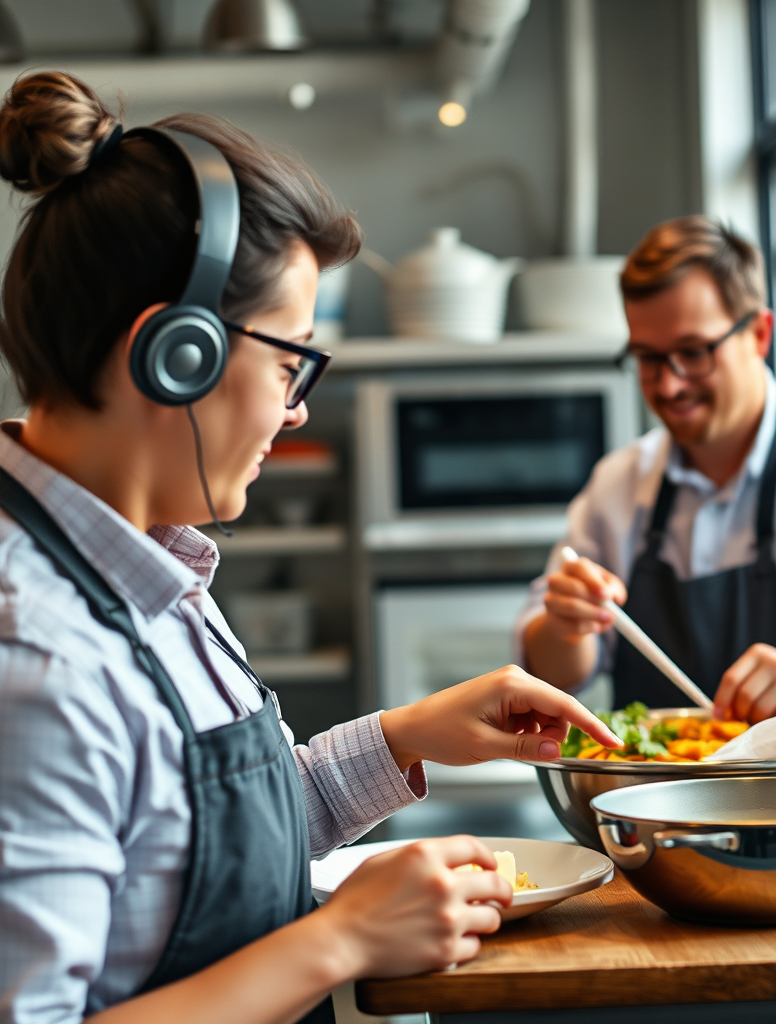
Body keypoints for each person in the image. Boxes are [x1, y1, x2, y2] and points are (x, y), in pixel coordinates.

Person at [0, 72, 618, 1024]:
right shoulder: (32, 660)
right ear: (176, 355)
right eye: (291, 362)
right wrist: (340, 939)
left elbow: (207, 835)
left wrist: (410, 734)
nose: (295, 412)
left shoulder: (145, 559)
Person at [518, 215, 776, 721]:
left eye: (693, 352)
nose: (668, 386)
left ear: (759, 334)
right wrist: (565, 627)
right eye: (647, 358)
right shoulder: (617, 485)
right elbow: (552, 674)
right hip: (644, 799)